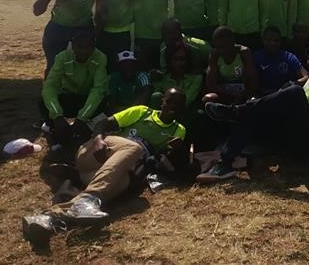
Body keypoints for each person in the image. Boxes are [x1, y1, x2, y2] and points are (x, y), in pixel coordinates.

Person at [22, 88, 188, 248]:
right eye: (169, 101)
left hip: (108, 172)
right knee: (134, 148)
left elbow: (165, 159)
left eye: (178, 104)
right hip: (97, 154)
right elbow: (103, 124)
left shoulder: (178, 130)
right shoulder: (142, 112)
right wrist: (98, 140)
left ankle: (49, 219)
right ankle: (87, 200)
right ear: (162, 101)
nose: (172, 106)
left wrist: (178, 150)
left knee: (121, 184)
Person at [196, 44, 309, 182]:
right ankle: (225, 163)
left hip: (308, 136)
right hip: (290, 132)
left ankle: (236, 111)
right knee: (251, 114)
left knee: (295, 92)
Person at [40, 32, 108, 147]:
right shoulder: (62, 57)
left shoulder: (100, 58)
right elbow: (50, 86)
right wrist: (57, 115)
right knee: (42, 101)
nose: (83, 51)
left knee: (104, 102)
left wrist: (82, 118)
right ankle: (55, 128)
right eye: (79, 47)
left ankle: (88, 130)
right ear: (73, 46)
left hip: (87, 99)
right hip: (69, 97)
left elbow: (98, 90)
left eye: (88, 47)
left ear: (93, 47)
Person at [204, 26, 258, 104]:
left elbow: (253, 81)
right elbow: (211, 84)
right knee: (208, 98)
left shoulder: (244, 52)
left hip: (243, 91)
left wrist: (242, 94)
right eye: (218, 47)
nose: (221, 51)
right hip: (224, 91)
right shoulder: (214, 55)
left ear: (232, 42)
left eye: (224, 46)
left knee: (253, 100)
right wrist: (232, 94)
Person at [253, 26, 308, 95]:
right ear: (263, 40)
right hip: (264, 96)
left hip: (285, 95)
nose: (272, 43)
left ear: (280, 41)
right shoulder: (256, 57)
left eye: (276, 40)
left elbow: (307, 77)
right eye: (269, 40)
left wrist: (292, 84)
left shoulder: (289, 57)